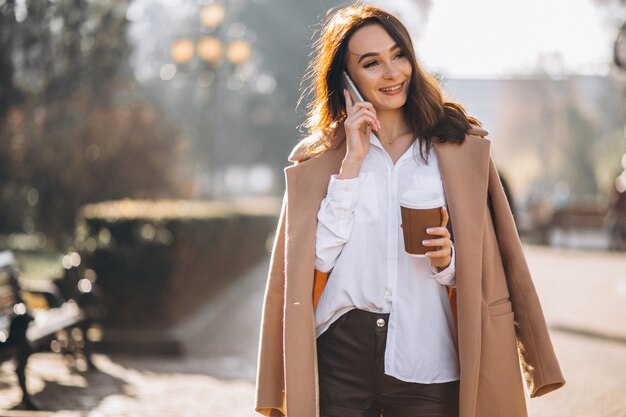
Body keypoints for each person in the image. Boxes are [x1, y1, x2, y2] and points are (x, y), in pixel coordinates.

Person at [255, 4, 565, 417]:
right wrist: (351, 165)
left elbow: (495, 262)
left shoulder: (457, 148)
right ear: (345, 79)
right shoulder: (320, 161)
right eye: (371, 63)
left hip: (428, 353)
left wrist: (448, 261)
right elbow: (312, 262)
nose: (391, 72)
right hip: (340, 353)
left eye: (398, 55)